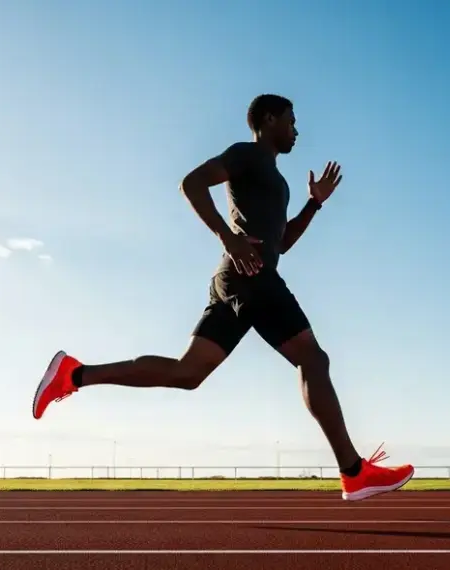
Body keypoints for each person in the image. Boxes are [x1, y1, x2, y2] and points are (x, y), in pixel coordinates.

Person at [32, 94, 414, 501]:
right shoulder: (246, 155)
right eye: (291, 121)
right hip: (252, 277)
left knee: (187, 373)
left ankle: (74, 374)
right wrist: (229, 238)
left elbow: (281, 242)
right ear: (268, 120)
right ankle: (353, 471)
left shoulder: (277, 182)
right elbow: (191, 183)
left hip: (238, 279)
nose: (297, 130)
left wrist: (314, 204)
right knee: (313, 359)